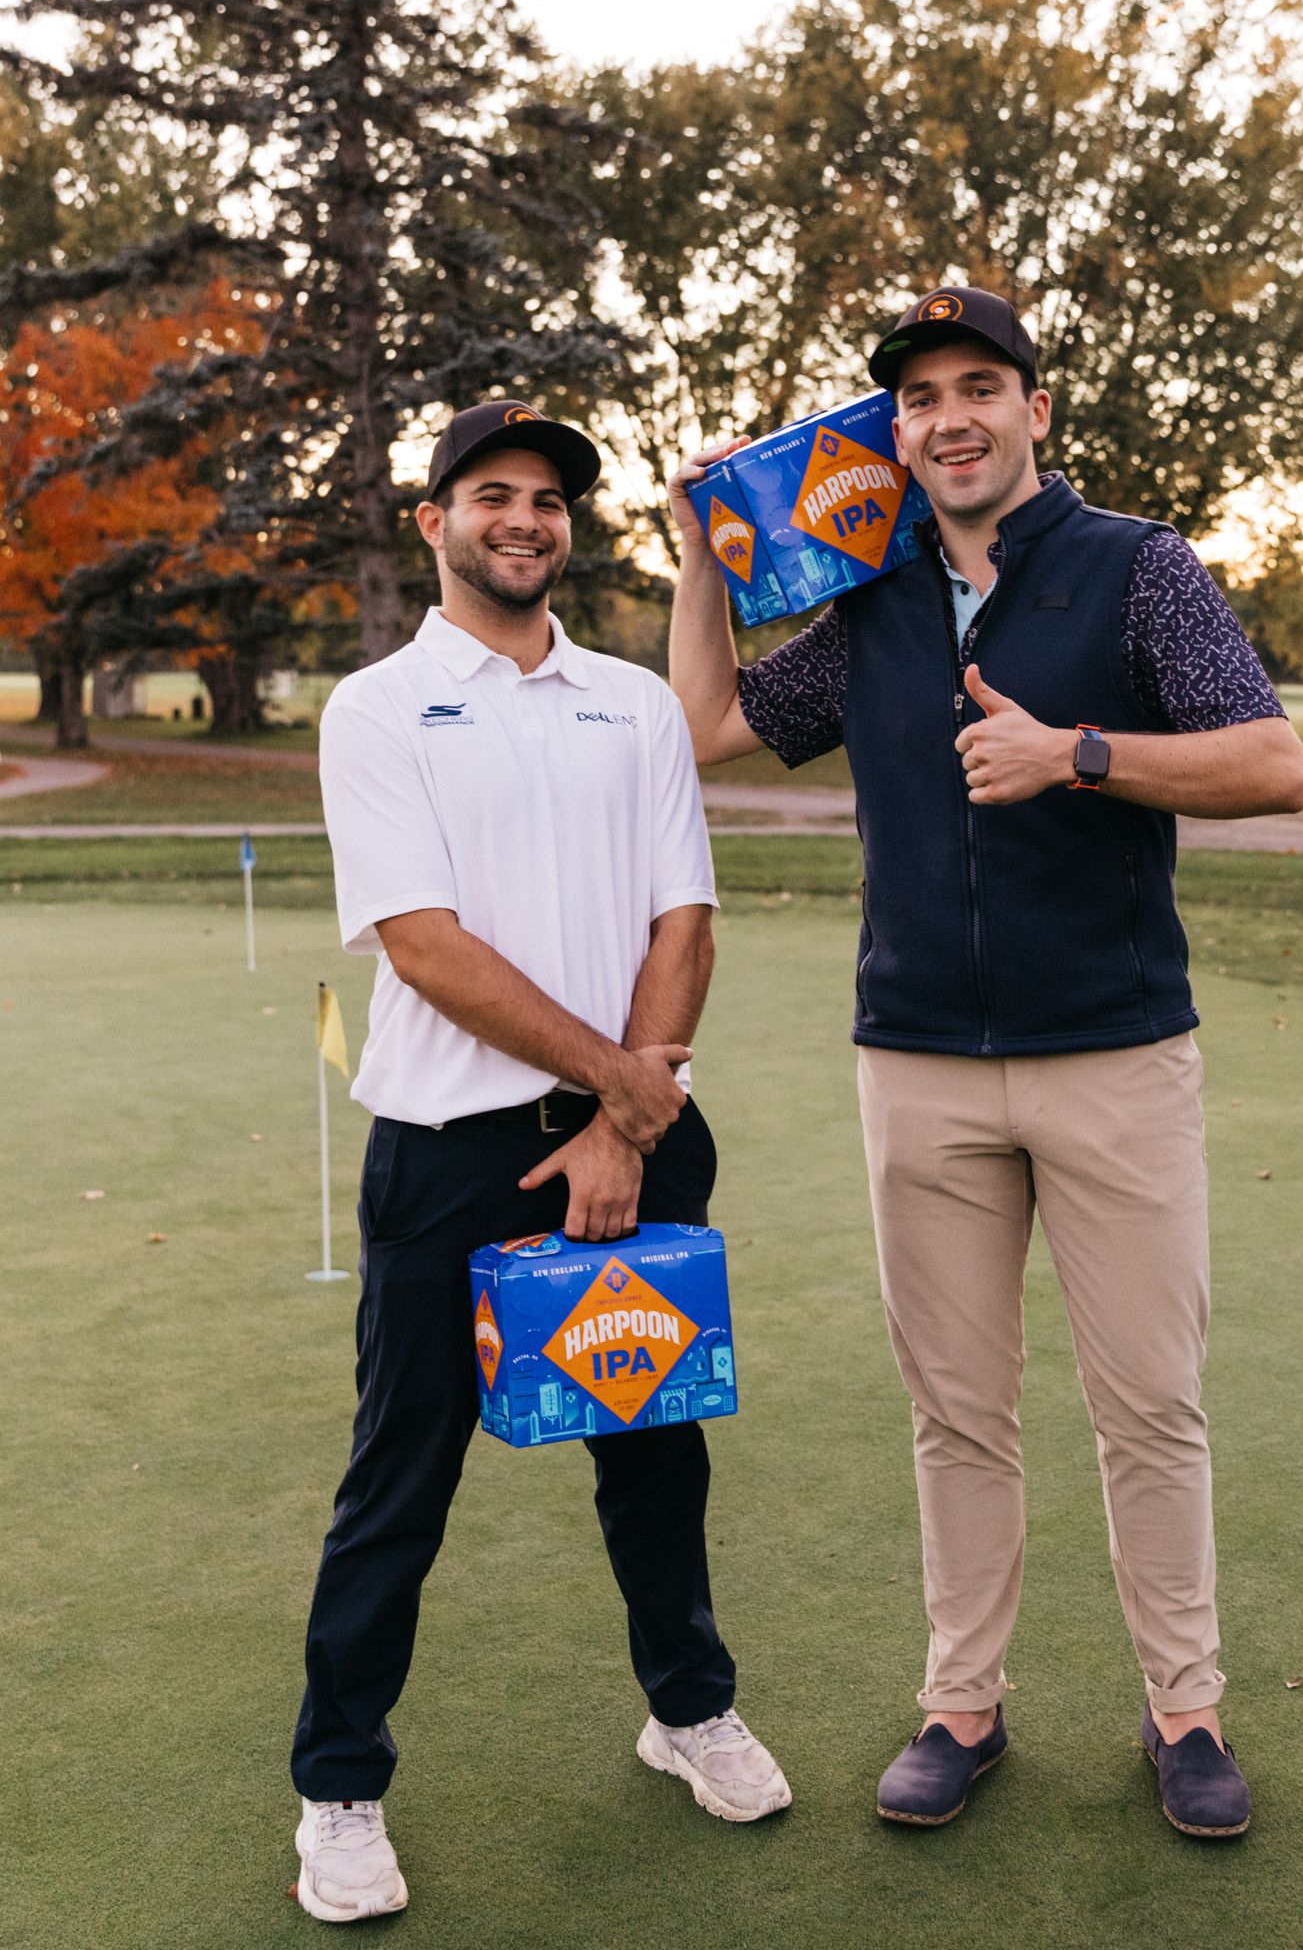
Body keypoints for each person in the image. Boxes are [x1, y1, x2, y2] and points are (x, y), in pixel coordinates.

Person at [668, 288, 1303, 1840]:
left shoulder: (1135, 566)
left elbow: (1274, 763)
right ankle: (963, 1706)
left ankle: (1187, 1713)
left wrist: (1075, 753)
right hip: (920, 1064)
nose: (946, 417)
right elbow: (698, 728)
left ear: (1034, 407)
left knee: (1149, 1404)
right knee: (955, 1409)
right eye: (918, 398)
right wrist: (699, 556)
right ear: (897, 431)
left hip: (1116, 1053)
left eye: (977, 386)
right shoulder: (873, 593)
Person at [291, 399, 789, 1925]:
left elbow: (682, 921)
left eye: (550, 498)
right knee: (402, 1477)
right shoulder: (373, 709)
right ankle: (339, 1789)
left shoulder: (632, 703)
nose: (525, 518)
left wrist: (621, 1123)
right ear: (432, 519)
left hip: (633, 1128)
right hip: (452, 1153)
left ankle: (686, 1709)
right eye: (491, 493)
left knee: (656, 1451)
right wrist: (617, 1096)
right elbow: (430, 950)